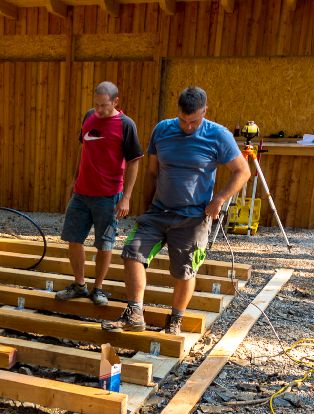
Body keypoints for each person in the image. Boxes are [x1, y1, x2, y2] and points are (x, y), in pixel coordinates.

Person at [102, 86, 250, 335]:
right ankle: (135, 314)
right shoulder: (162, 130)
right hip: (158, 211)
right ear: (178, 111)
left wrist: (219, 199)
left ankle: (175, 320)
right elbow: (152, 173)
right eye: (183, 120)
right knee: (132, 253)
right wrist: (146, 207)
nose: (188, 126)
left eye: (194, 121)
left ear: (205, 111)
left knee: (184, 271)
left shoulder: (218, 135)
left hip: (193, 217)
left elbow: (242, 171)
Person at [55, 81, 144, 307]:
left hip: (109, 196)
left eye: (104, 105)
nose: (99, 110)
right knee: (73, 239)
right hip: (81, 193)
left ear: (115, 102)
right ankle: (79, 285)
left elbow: (134, 161)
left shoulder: (125, 125)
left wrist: (126, 197)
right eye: (96, 105)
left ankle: (98, 288)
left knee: (104, 244)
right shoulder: (89, 117)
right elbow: (83, 149)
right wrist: (74, 180)